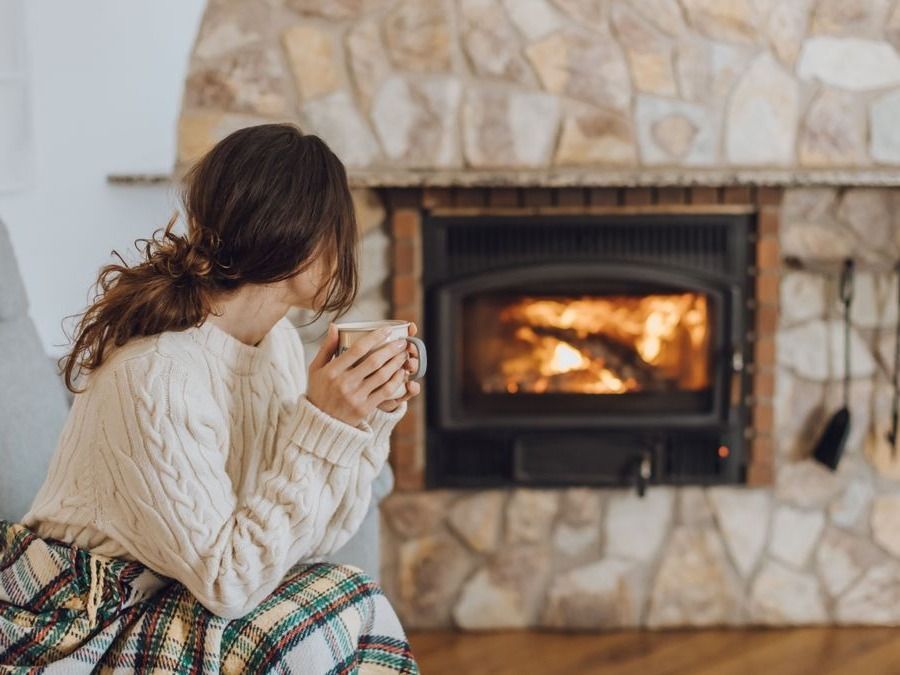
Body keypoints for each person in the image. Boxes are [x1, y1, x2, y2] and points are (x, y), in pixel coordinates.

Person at [0, 123, 421, 673]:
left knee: (347, 594)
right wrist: (323, 423)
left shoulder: (279, 348)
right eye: (341, 228)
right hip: (76, 615)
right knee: (321, 624)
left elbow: (316, 540)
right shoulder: (157, 376)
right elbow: (229, 583)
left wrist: (363, 419)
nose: (348, 246)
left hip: (175, 591)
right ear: (297, 237)